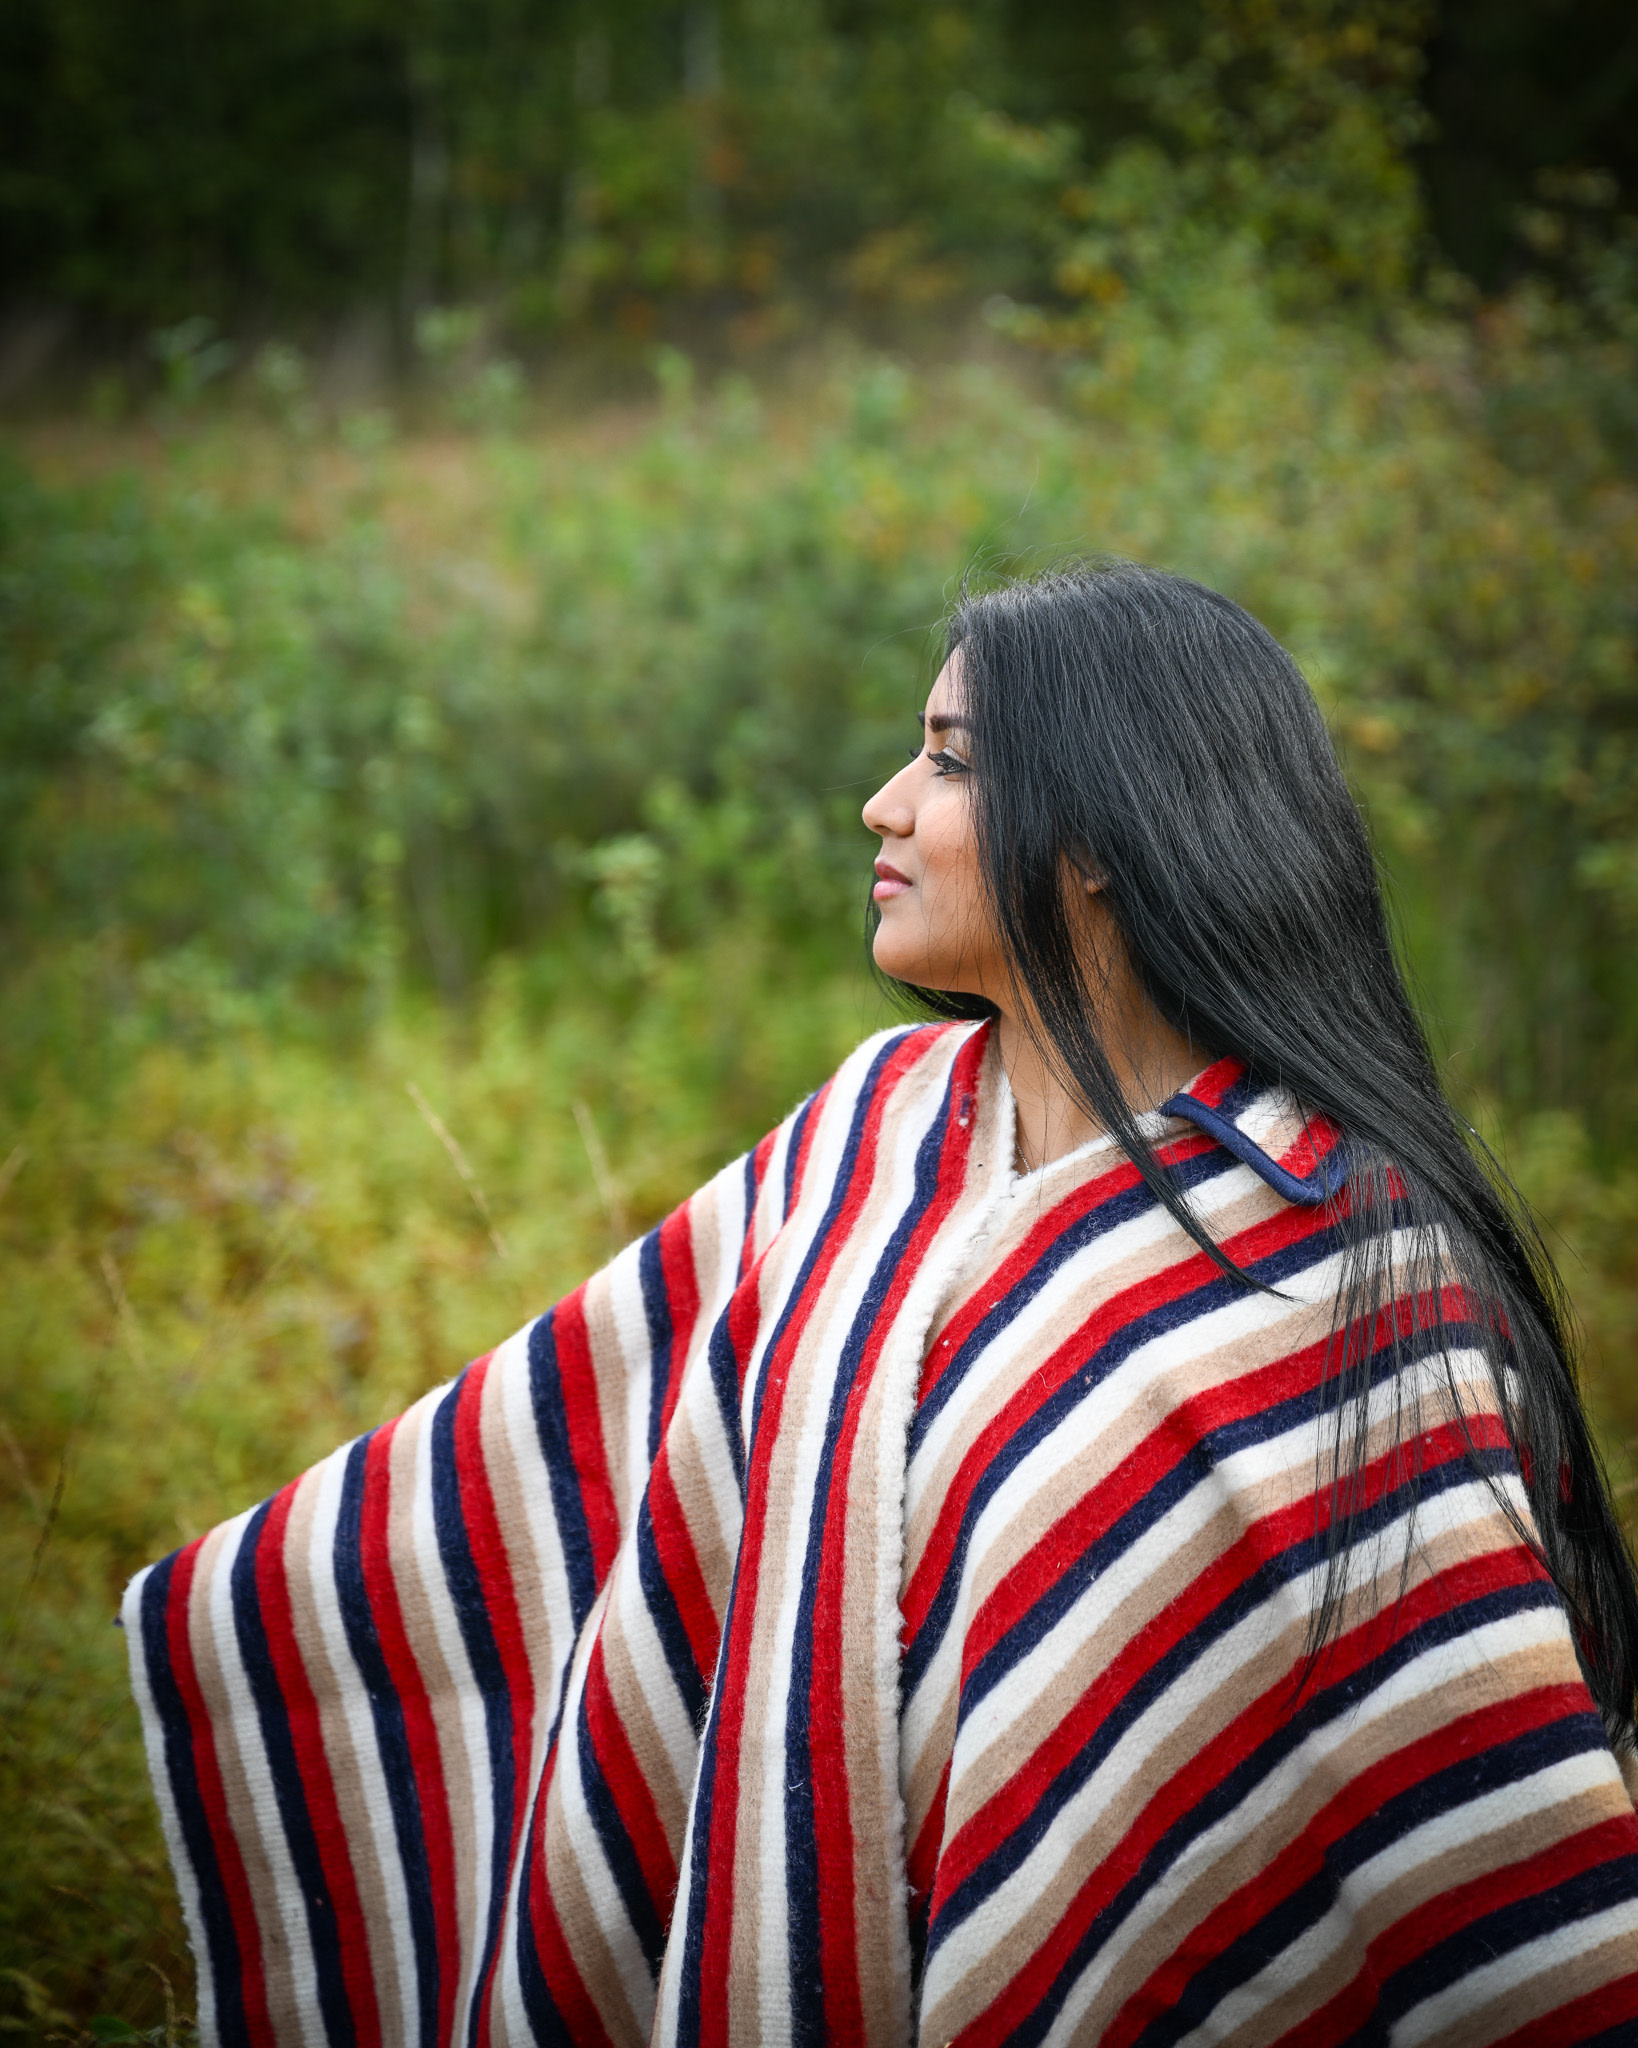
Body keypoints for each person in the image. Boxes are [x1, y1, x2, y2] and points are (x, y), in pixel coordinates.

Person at [126, 561, 1638, 2048]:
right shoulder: (872, 1125)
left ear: (1102, 833)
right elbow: (566, 1443)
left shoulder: (1331, 1262)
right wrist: (223, 1612)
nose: (883, 803)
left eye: (945, 762)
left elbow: (1462, 1793)